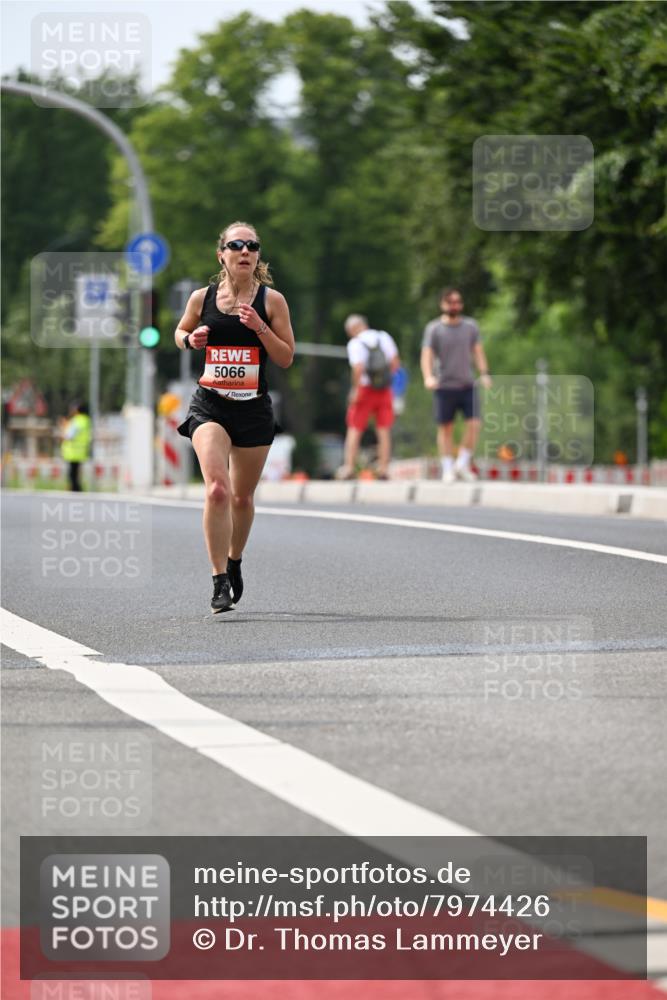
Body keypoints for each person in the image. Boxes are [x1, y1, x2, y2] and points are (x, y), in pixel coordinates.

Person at [175, 221, 295, 613]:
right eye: (236, 245)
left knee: (241, 498)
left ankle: (234, 560)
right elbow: (180, 331)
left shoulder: (272, 302)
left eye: (252, 246)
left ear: (258, 256)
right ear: (221, 255)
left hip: (253, 409)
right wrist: (190, 340)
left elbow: (285, 357)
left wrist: (260, 328)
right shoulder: (202, 298)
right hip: (210, 405)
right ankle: (218, 580)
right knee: (217, 490)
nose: (245, 251)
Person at [420, 288, 492, 483]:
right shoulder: (434, 328)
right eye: (451, 302)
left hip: (467, 384)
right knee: (446, 428)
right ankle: (447, 468)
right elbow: (427, 355)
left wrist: (484, 373)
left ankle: (462, 463)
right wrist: (428, 376)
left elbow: (478, 351)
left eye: (458, 302)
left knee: (474, 424)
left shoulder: (470, 326)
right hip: (444, 385)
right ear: (443, 304)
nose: (455, 306)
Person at [336, 314, 400, 480]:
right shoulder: (383, 336)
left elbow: (358, 368)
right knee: (383, 429)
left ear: (352, 329)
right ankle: (384, 469)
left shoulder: (355, 343)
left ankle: (349, 467)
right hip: (384, 389)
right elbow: (395, 363)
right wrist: (384, 380)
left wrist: (355, 390)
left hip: (364, 389)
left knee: (355, 427)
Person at [60, 401, 91, 492]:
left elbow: (69, 435)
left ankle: (75, 490)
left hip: (73, 451)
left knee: (72, 474)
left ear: (77, 410)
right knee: (76, 473)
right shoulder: (86, 420)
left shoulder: (77, 421)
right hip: (81, 451)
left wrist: (64, 426)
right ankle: (77, 489)